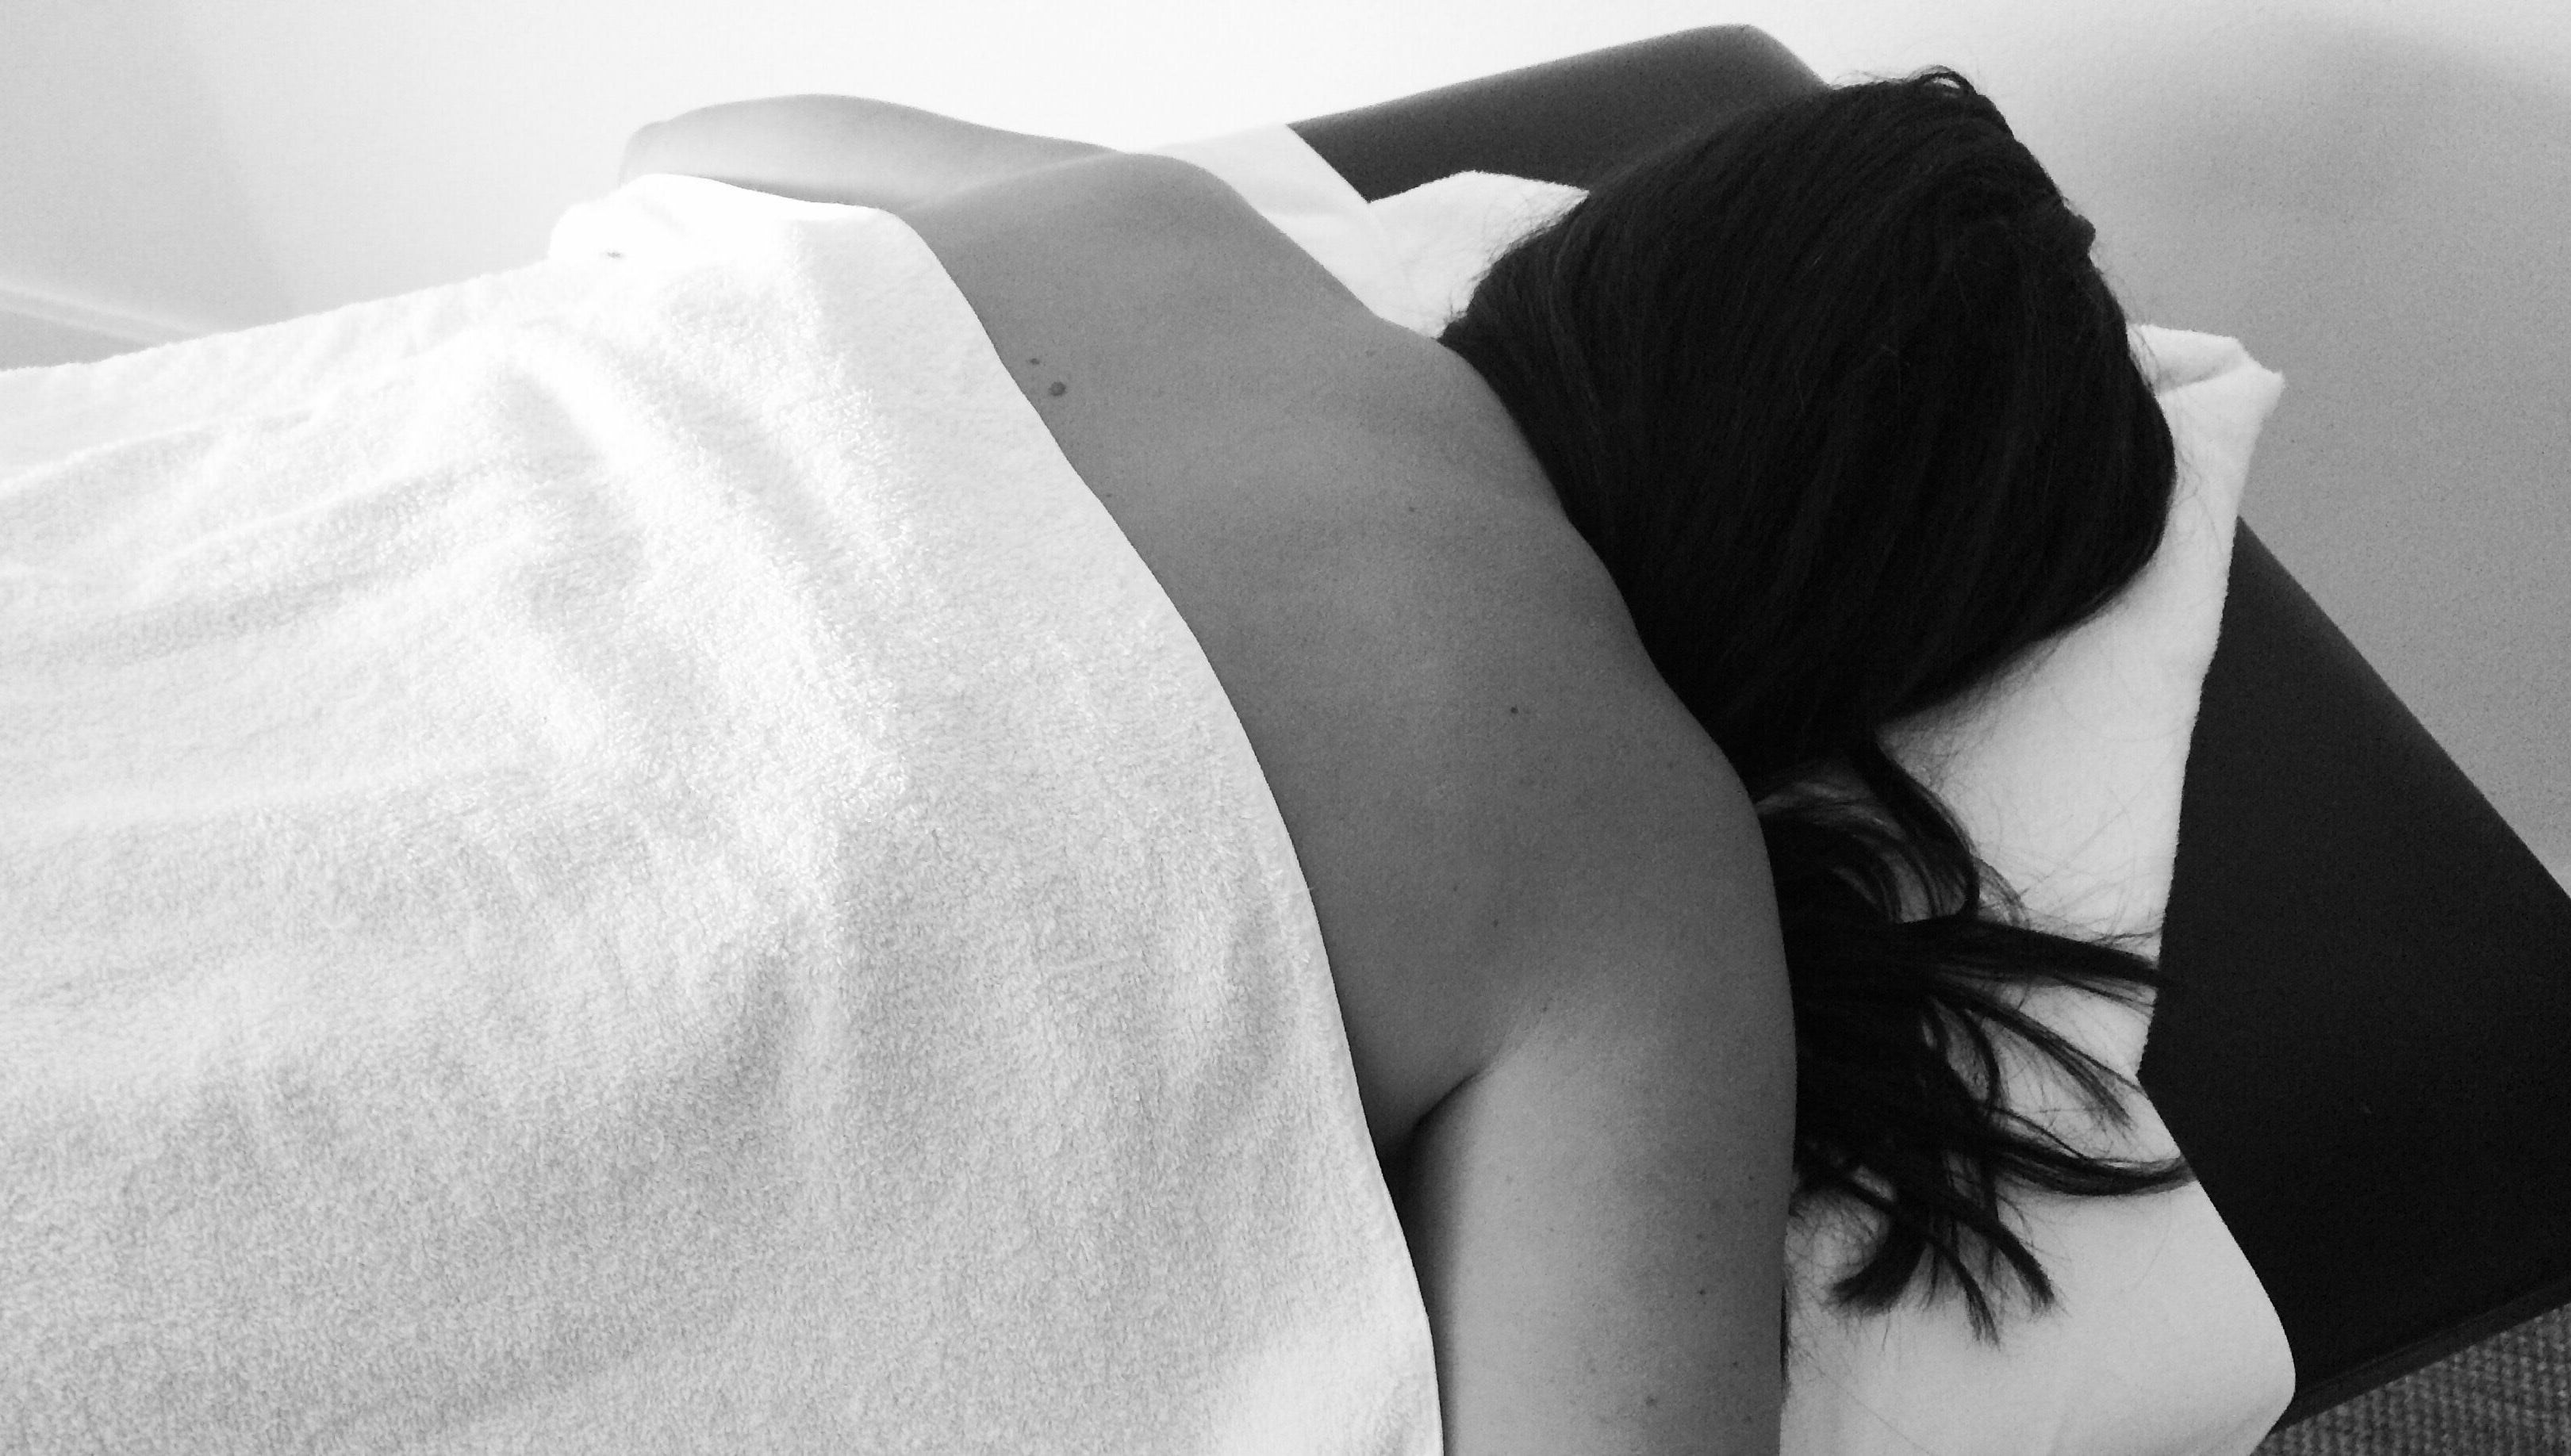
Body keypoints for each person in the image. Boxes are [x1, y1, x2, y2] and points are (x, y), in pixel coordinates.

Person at [623, 30, 2190, 1454]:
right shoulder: (1637, 878)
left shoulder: (1157, 226)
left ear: (1612, 252)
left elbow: (680, 145)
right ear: (1869, 643)